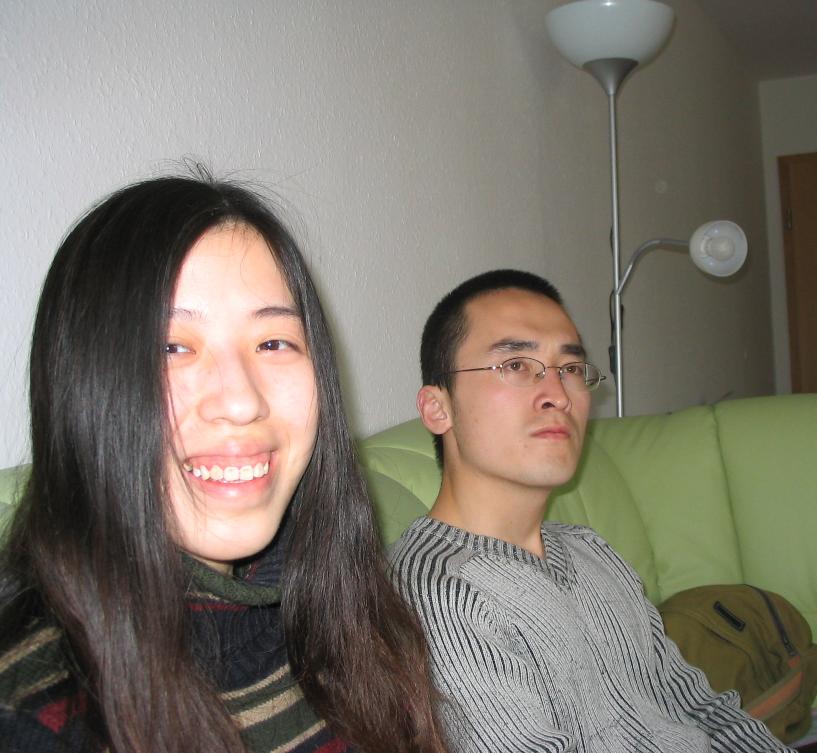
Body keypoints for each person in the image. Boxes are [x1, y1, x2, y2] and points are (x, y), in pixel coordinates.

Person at [0, 172, 447, 753]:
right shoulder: (33, 715)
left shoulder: (347, 616)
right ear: (83, 385)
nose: (241, 401)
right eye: (171, 347)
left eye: (273, 343)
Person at [389, 269, 795, 753]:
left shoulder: (588, 550)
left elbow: (700, 708)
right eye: (516, 364)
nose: (559, 394)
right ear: (437, 408)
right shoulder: (438, 593)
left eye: (570, 369)